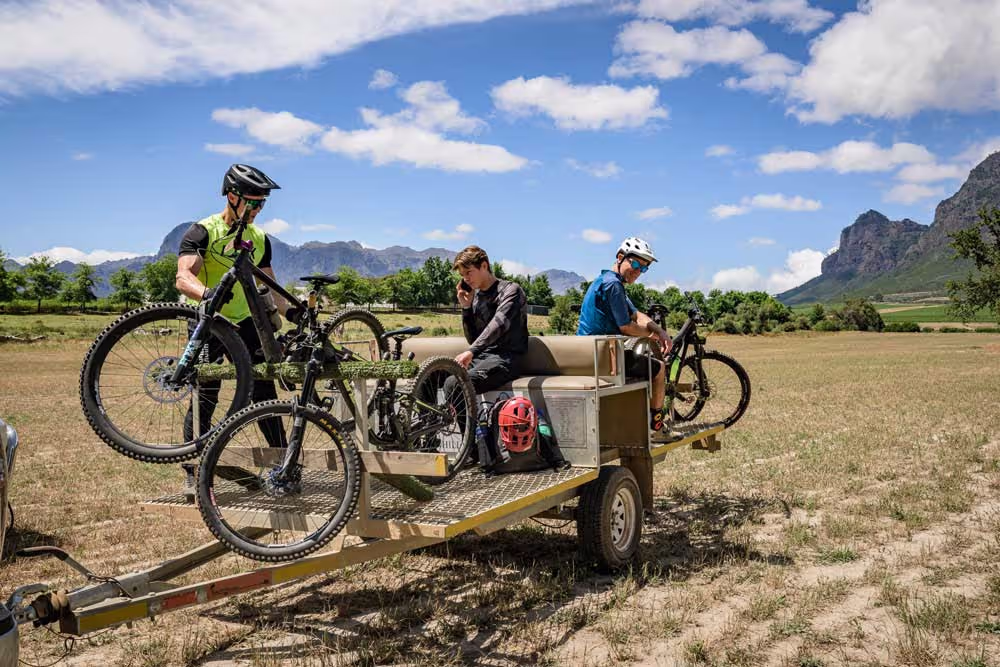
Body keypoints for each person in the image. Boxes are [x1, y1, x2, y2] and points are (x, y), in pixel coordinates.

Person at [175, 163, 293, 446]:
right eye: (253, 202)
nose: (258, 210)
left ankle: (283, 462)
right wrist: (207, 294)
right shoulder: (203, 231)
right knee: (206, 395)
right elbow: (183, 277)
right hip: (209, 324)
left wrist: (295, 313)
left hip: (247, 323)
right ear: (232, 196)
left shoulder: (260, 238)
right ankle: (193, 465)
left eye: (262, 204)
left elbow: (270, 287)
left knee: (265, 392)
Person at [576, 236, 672, 435]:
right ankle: (656, 428)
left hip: (593, 351)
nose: (638, 272)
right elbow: (626, 327)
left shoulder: (608, 280)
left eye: (644, 268)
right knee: (659, 369)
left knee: (643, 362)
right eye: (636, 264)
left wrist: (659, 331)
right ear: (621, 257)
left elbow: (637, 314)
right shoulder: (613, 285)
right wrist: (653, 336)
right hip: (600, 355)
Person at [452, 245, 529, 393]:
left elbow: (499, 324)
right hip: (481, 358)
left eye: (469, 272)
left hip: (506, 359)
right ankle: (431, 417)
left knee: (455, 383)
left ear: (484, 266)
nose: (465, 279)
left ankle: (461, 418)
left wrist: (471, 351)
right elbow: (473, 339)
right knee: (430, 378)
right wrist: (466, 308)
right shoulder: (475, 298)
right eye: (462, 275)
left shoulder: (510, 290)